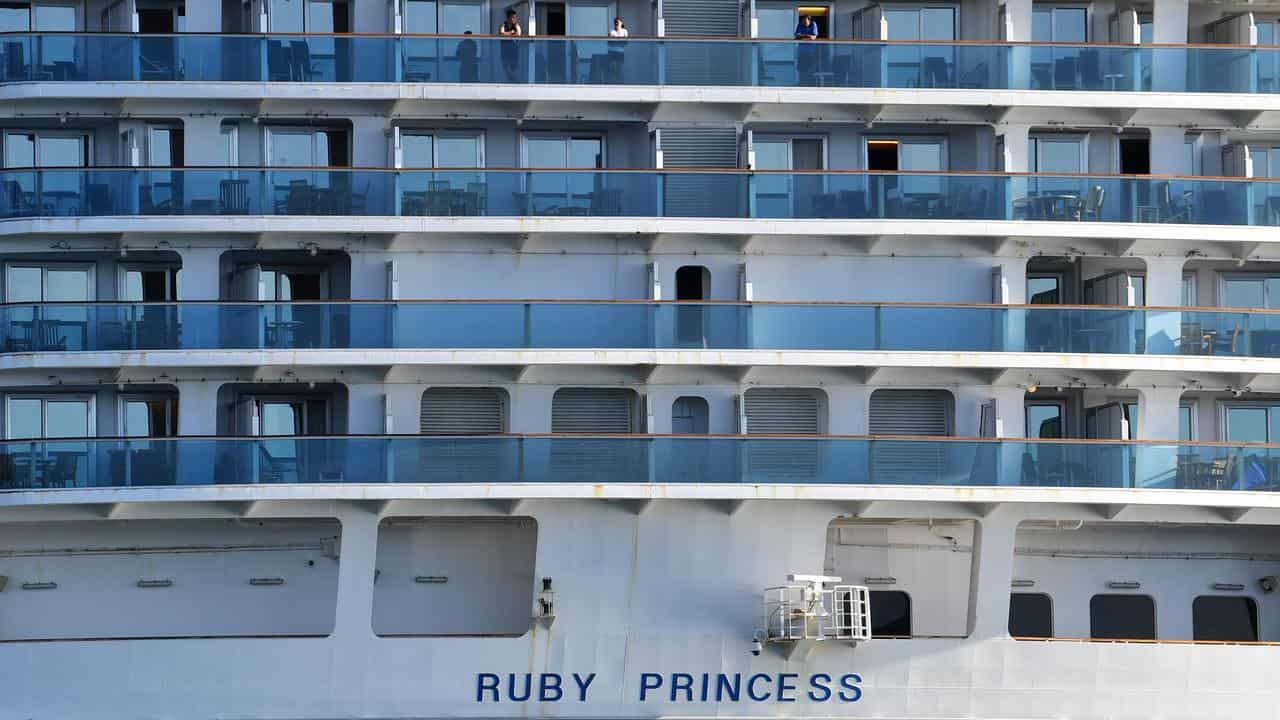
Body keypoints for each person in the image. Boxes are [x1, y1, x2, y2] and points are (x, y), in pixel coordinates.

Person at [499, 8, 522, 82]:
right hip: (505, 48)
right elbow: (501, 33)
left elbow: (518, 33)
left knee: (514, 65)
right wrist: (511, 33)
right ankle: (513, 79)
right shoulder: (503, 24)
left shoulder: (516, 25)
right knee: (506, 66)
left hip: (513, 48)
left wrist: (508, 33)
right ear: (509, 17)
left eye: (515, 17)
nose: (515, 19)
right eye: (513, 17)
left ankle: (513, 80)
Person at [606, 17, 628, 82]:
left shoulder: (624, 31)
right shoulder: (611, 30)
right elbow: (609, 42)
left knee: (619, 68)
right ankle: (612, 81)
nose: (616, 23)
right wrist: (619, 40)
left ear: (621, 23)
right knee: (611, 68)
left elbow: (625, 42)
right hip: (611, 51)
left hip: (620, 52)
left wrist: (615, 40)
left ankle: (619, 81)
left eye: (617, 22)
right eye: (615, 22)